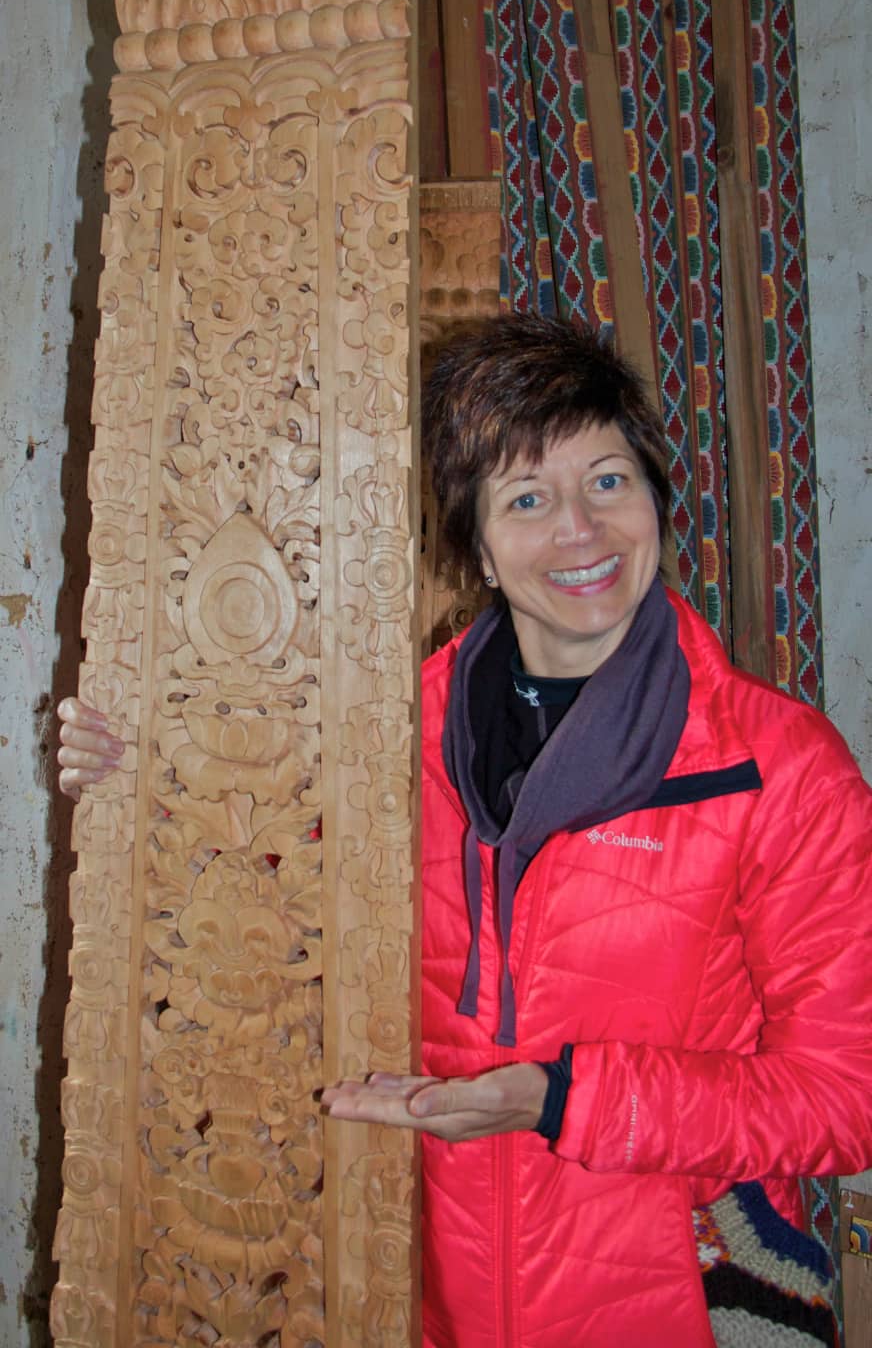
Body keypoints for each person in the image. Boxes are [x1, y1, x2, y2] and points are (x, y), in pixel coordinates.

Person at [59, 314, 872, 1347]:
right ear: (478, 549)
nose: (578, 529)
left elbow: (842, 1099)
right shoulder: (385, 746)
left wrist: (560, 1101)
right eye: (526, 499)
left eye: (607, 481)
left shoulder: (778, 768)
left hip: (679, 1302)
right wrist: (138, 779)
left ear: (656, 502)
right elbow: (256, 877)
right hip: (421, 1297)